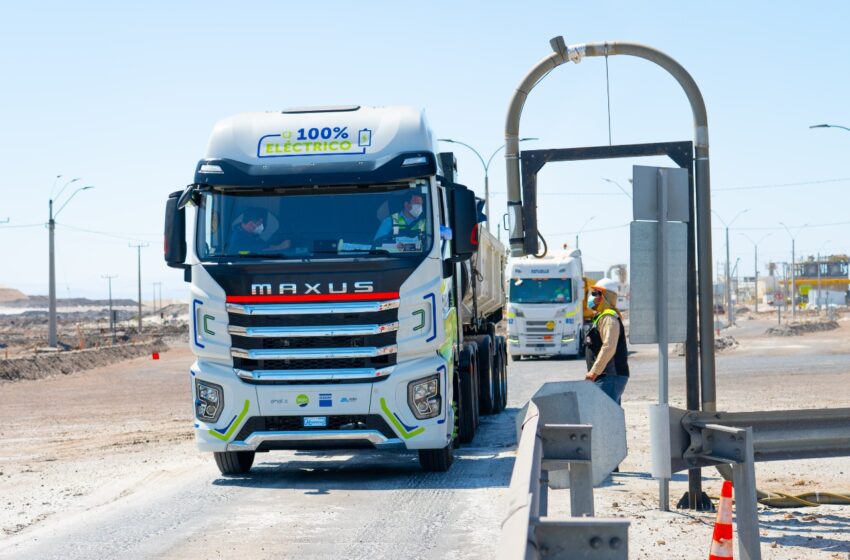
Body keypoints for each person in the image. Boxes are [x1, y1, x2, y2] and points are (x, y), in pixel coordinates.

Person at [584, 277, 630, 405]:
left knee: (603, 417)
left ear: (603, 296)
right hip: (606, 376)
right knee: (609, 417)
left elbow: (609, 346)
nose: (592, 297)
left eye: (595, 293)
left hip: (609, 376)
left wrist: (594, 371)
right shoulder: (602, 317)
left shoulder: (608, 317)